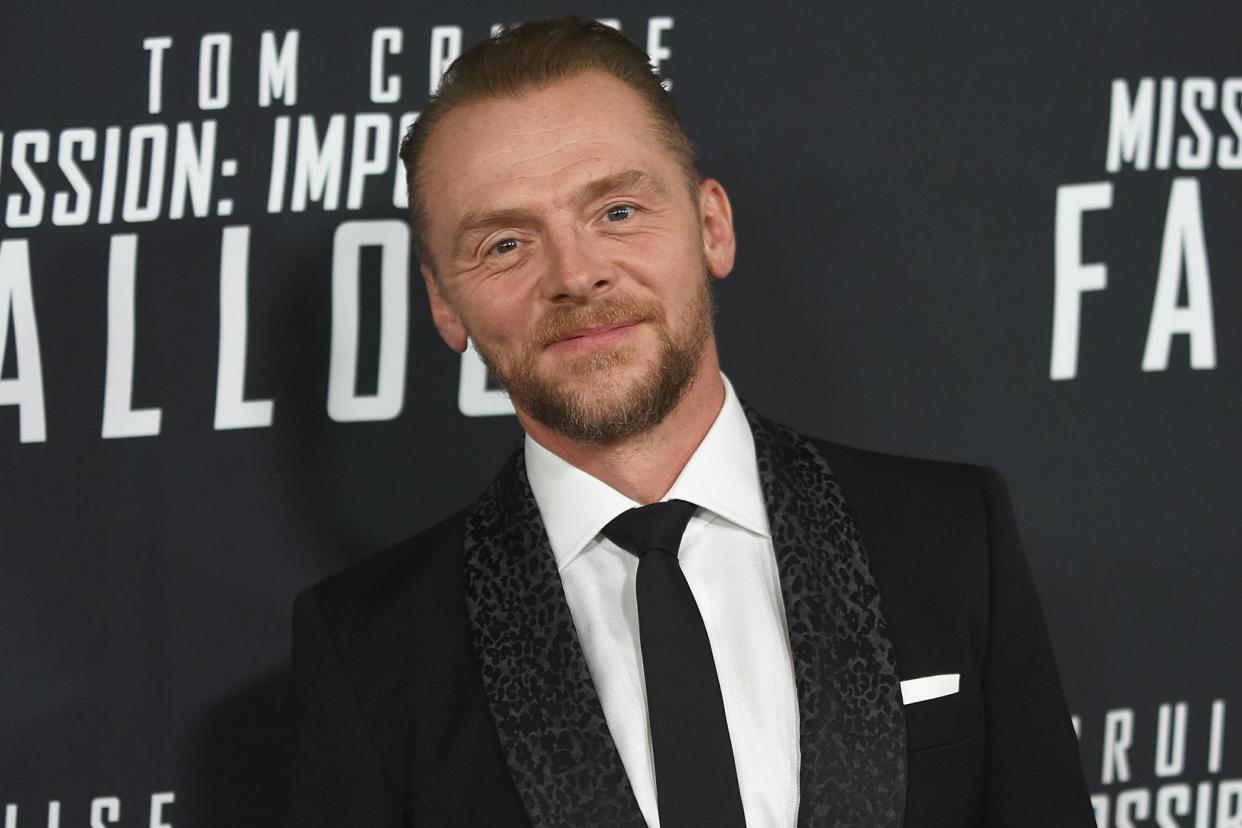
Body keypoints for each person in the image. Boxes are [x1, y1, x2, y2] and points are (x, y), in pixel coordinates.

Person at [291, 16, 1094, 827]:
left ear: (712, 226)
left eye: (617, 212)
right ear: (442, 303)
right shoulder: (369, 649)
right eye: (505, 243)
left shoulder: (949, 539)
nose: (576, 275)